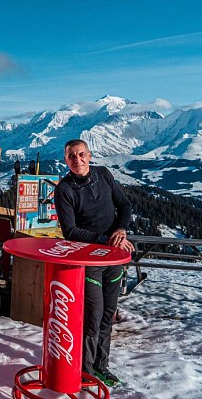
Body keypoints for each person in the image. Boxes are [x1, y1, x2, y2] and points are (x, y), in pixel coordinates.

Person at [53, 139, 134, 387]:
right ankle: (85, 371)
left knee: (108, 315)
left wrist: (121, 229)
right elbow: (70, 231)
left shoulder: (103, 174)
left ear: (89, 155)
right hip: (88, 260)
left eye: (81, 155)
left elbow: (124, 204)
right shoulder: (64, 189)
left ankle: (101, 367)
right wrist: (104, 240)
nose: (77, 160)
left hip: (114, 257)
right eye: (71, 156)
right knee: (93, 317)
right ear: (65, 160)